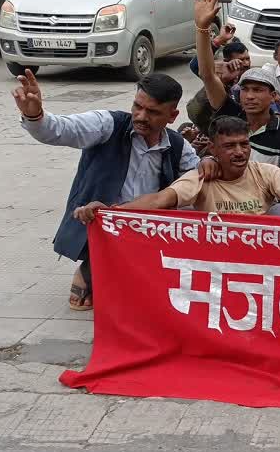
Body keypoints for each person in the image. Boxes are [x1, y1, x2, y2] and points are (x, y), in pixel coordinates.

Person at [14, 70, 199, 311]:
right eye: (137, 106)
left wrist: (209, 164)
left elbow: (197, 179)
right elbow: (60, 130)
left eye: (152, 112)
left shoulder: (176, 145)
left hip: (149, 227)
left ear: (172, 116)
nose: (141, 116)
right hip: (99, 222)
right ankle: (88, 268)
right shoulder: (107, 124)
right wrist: (35, 114)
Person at [74, 116, 280, 221]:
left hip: (265, 255)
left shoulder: (266, 172)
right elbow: (160, 200)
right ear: (212, 149)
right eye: (230, 146)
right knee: (182, 213)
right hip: (216, 256)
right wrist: (111, 211)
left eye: (244, 144)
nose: (239, 152)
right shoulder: (200, 177)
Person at [195, 0, 280, 168]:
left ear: (273, 96)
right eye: (245, 89)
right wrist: (202, 28)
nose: (249, 96)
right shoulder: (231, 114)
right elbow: (207, 75)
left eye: (257, 90)